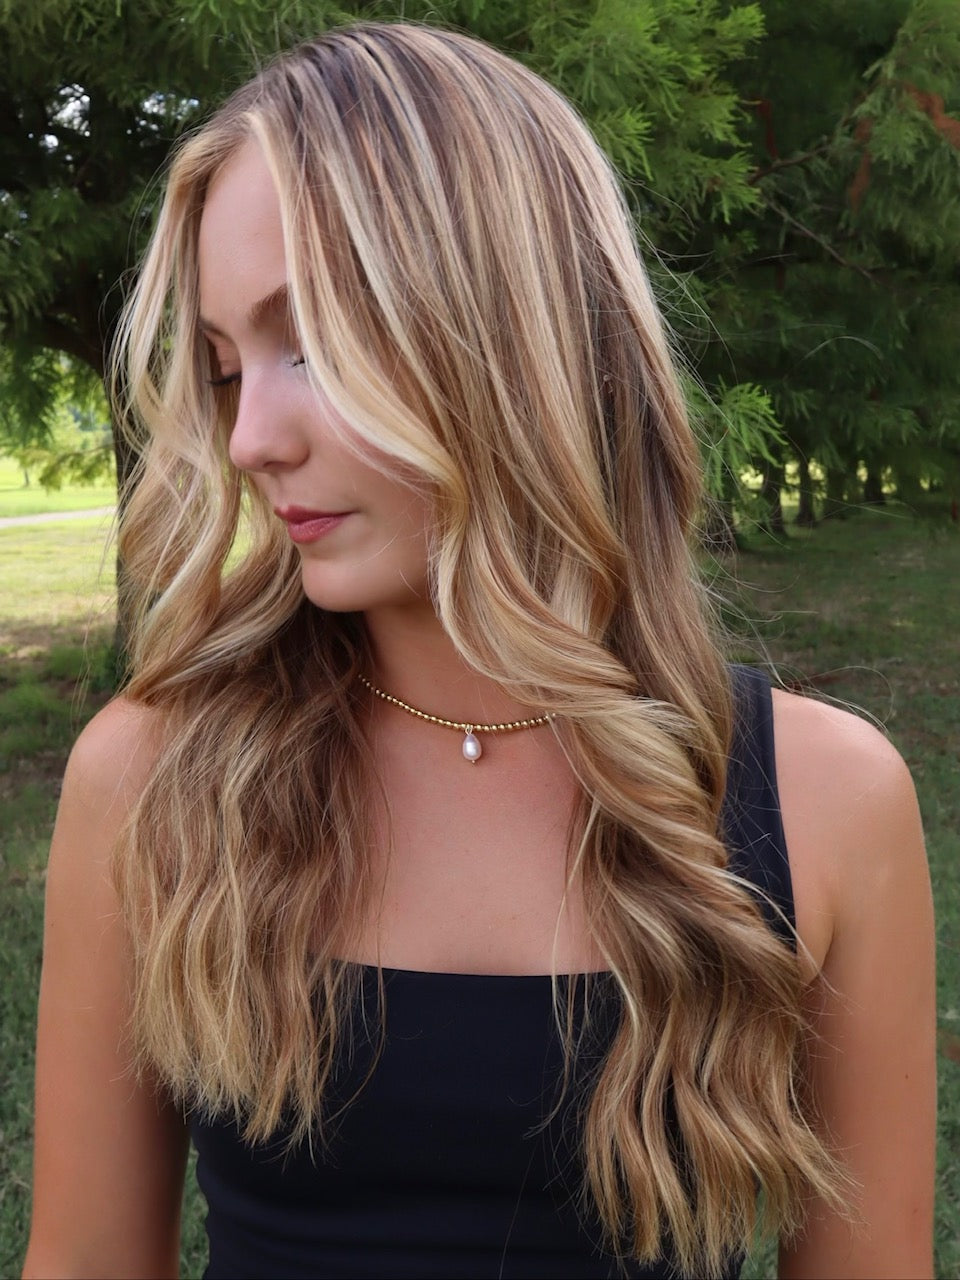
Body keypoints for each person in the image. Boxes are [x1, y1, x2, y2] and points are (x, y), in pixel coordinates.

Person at [22, 21, 934, 1280]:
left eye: (315, 345)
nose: (250, 439)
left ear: (511, 330)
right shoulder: (152, 777)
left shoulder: (827, 799)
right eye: (228, 368)